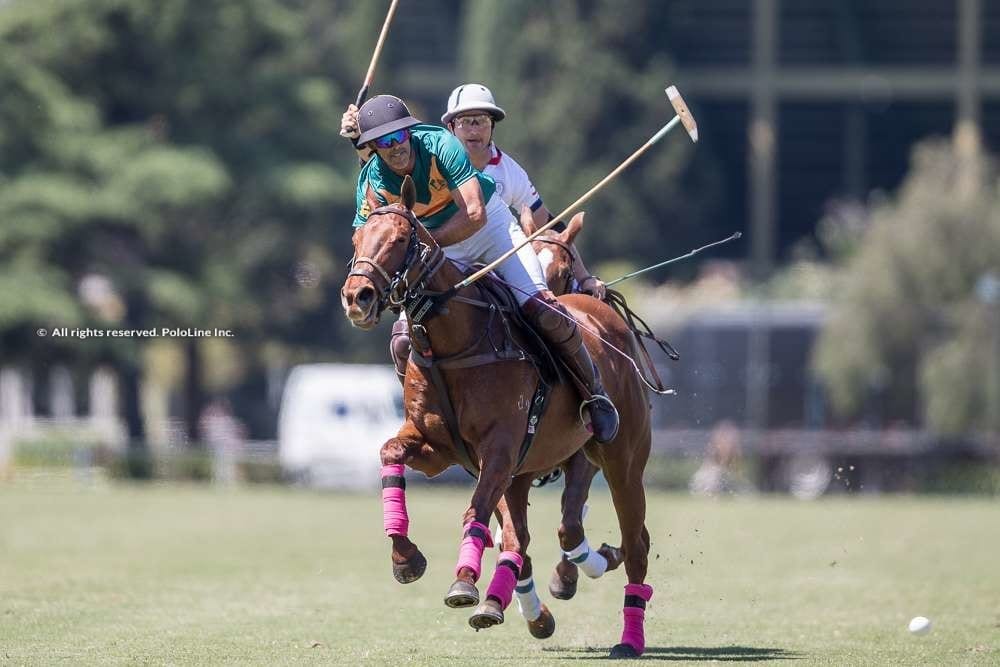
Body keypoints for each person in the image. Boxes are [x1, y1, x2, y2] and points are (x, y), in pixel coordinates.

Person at [340, 95, 618, 443]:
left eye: (398, 137)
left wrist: (424, 246)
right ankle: (423, 412)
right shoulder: (371, 181)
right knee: (401, 341)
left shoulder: (440, 145)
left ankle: (594, 394)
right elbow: (363, 233)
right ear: (372, 147)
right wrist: (368, 277)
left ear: (410, 133)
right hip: (438, 246)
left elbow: (474, 213)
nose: (394, 147)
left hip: (488, 230)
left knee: (541, 307)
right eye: (383, 142)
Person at [441, 83, 607, 301]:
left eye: (481, 121)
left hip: (494, 264)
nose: (474, 130)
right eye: (465, 122)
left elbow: (548, 224)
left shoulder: (511, 173)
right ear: (451, 127)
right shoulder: (435, 165)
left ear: (492, 126)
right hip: (445, 257)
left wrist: (584, 277)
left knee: (542, 310)